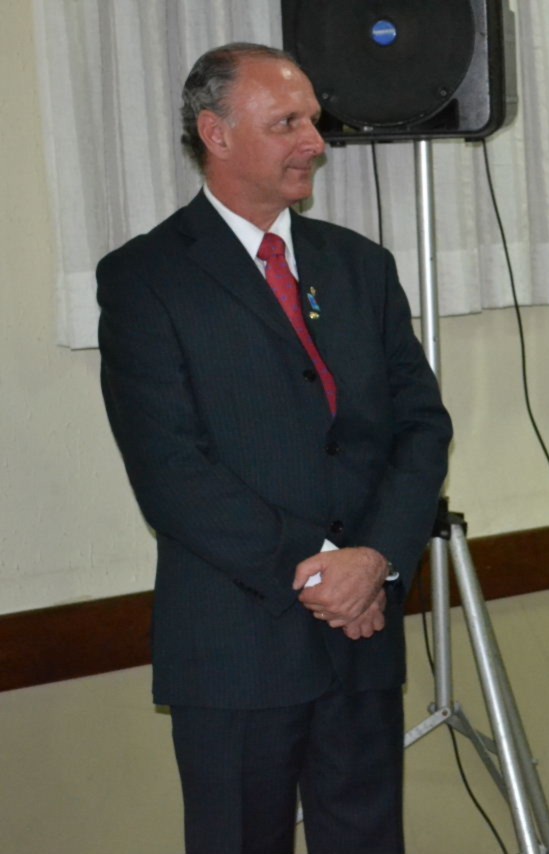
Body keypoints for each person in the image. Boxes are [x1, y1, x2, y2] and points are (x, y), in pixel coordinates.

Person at [96, 43, 452, 853]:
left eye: (314, 122)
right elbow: (170, 469)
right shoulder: (146, 278)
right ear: (215, 134)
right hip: (236, 642)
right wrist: (320, 567)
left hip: (362, 631)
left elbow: (421, 426)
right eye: (287, 123)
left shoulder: (360, 266)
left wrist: (375, 560)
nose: (315, 143)